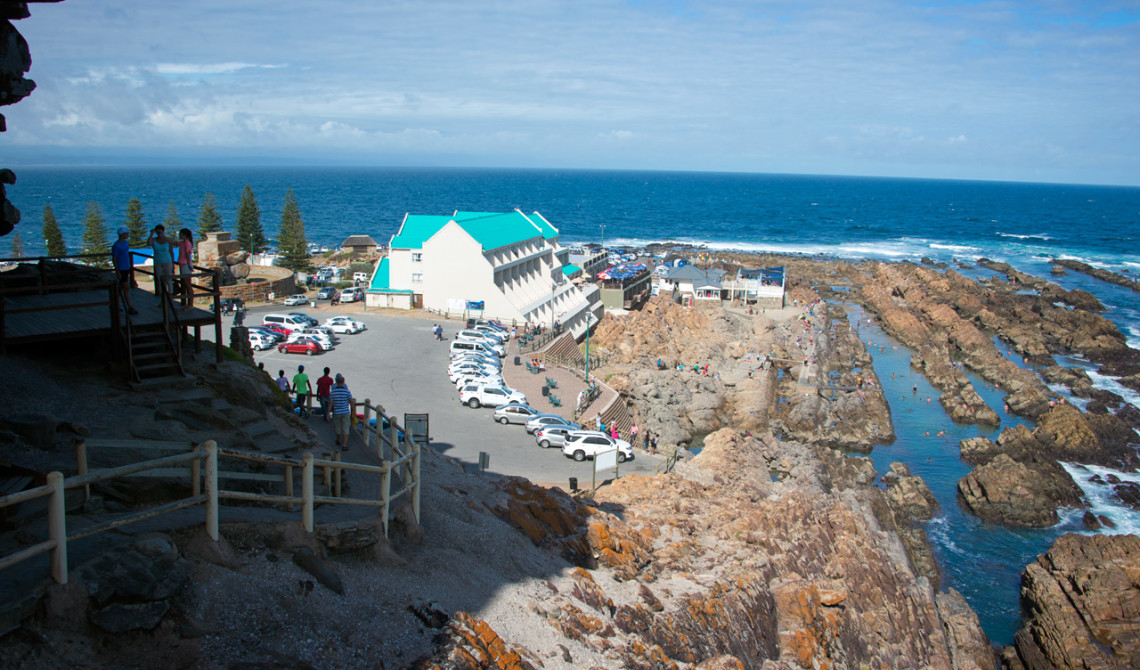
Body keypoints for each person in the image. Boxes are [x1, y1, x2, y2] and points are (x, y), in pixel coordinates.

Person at [111, 227, 138, 315]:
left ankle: (114, 304)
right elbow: (114, 259)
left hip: (126, 267)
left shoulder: (126, 243)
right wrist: (117, 271)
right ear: (122, 234)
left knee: (122, 288)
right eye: (126, 233)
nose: (128, 235)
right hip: (121, 268)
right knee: (126, 287)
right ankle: (130, 306)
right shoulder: (116, 245)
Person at [147, 224, 175, 300]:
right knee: (160, 280)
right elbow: (149, 244)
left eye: (160, 231)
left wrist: (173, 264)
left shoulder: (167, 240)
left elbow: (171, 250)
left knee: (169, 279)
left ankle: (170, 295)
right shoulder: (154, 240)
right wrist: (151, 234)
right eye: (157, 231)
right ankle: (163, 296)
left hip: (167, 262)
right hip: (158, 262)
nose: (159, 232)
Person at [327, 374, 354, 449]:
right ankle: (344, 445)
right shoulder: (347, 392)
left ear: (336, 382)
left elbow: (330, 404)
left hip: (336, 412)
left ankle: (338, 440)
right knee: (346, 428)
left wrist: (328, 413)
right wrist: (353, 413)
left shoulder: (333, 393)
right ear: (343, 382)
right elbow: (351, 402)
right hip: (345, 412)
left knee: (337, 428)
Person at [176, 228, 194, 310]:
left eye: (181, 234)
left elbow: (187, 254)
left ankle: (190, 304)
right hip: (183, 264)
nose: (179, 235)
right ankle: (186, 303)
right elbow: (175, 243)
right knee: (184, 284)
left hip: (186, 264)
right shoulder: (182, 243)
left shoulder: (187, 243)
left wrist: (189, 265)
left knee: (188, 285)